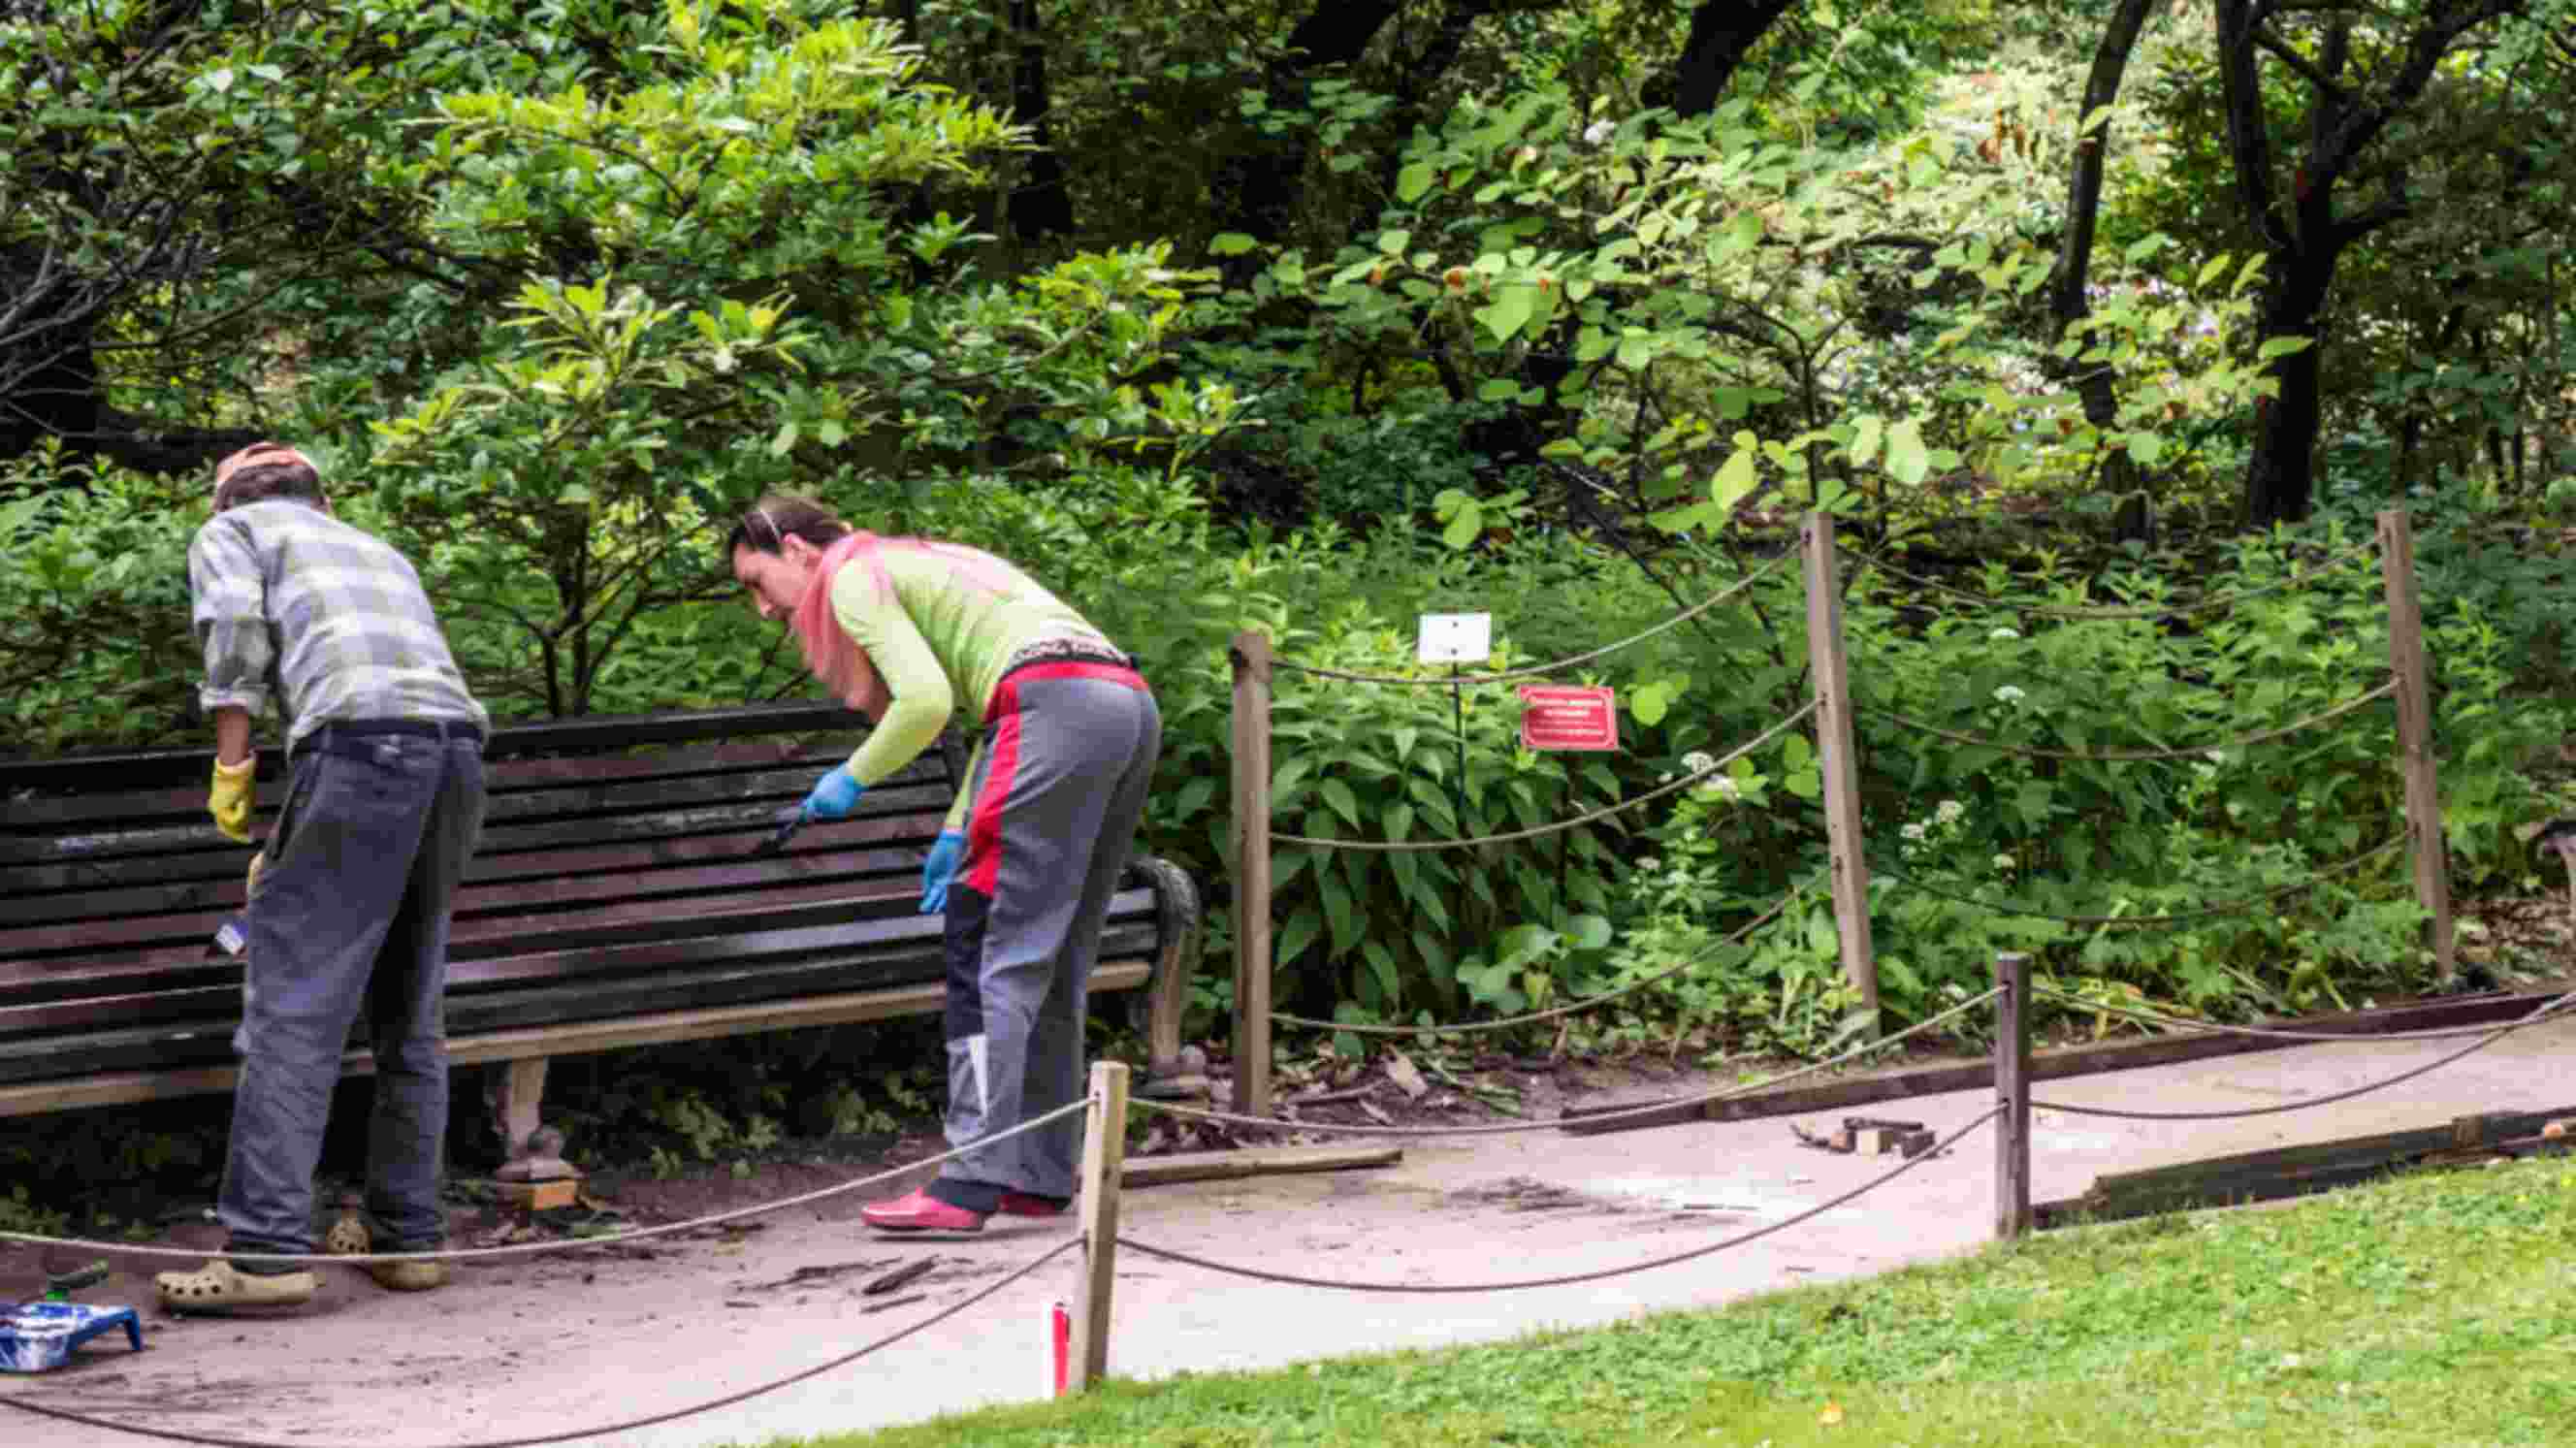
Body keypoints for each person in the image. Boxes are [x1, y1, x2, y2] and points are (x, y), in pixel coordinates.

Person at [727, 495, 1160, 1234]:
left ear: (797, 550)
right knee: (1050, 960)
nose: (763, 609)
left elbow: (927, 702)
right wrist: (959, 826)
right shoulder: (918, 556)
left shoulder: (854, 575)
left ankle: (969, 1180)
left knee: (985, 945)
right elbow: (998, 701)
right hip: (1122, 704)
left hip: (1052, 705)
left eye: (756, 582)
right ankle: (1037, 1172)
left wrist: (851, 777)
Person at [155, 442, 490, 1311]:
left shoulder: (232, 533)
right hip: (456, 754)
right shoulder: (373, 546)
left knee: (293, 1008)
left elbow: (233, 634)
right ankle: (406, 1235)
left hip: (359, 748)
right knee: (410, 1007)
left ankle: (265, 1254)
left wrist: (232, 768)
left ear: (228, 499)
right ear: (322, 497)